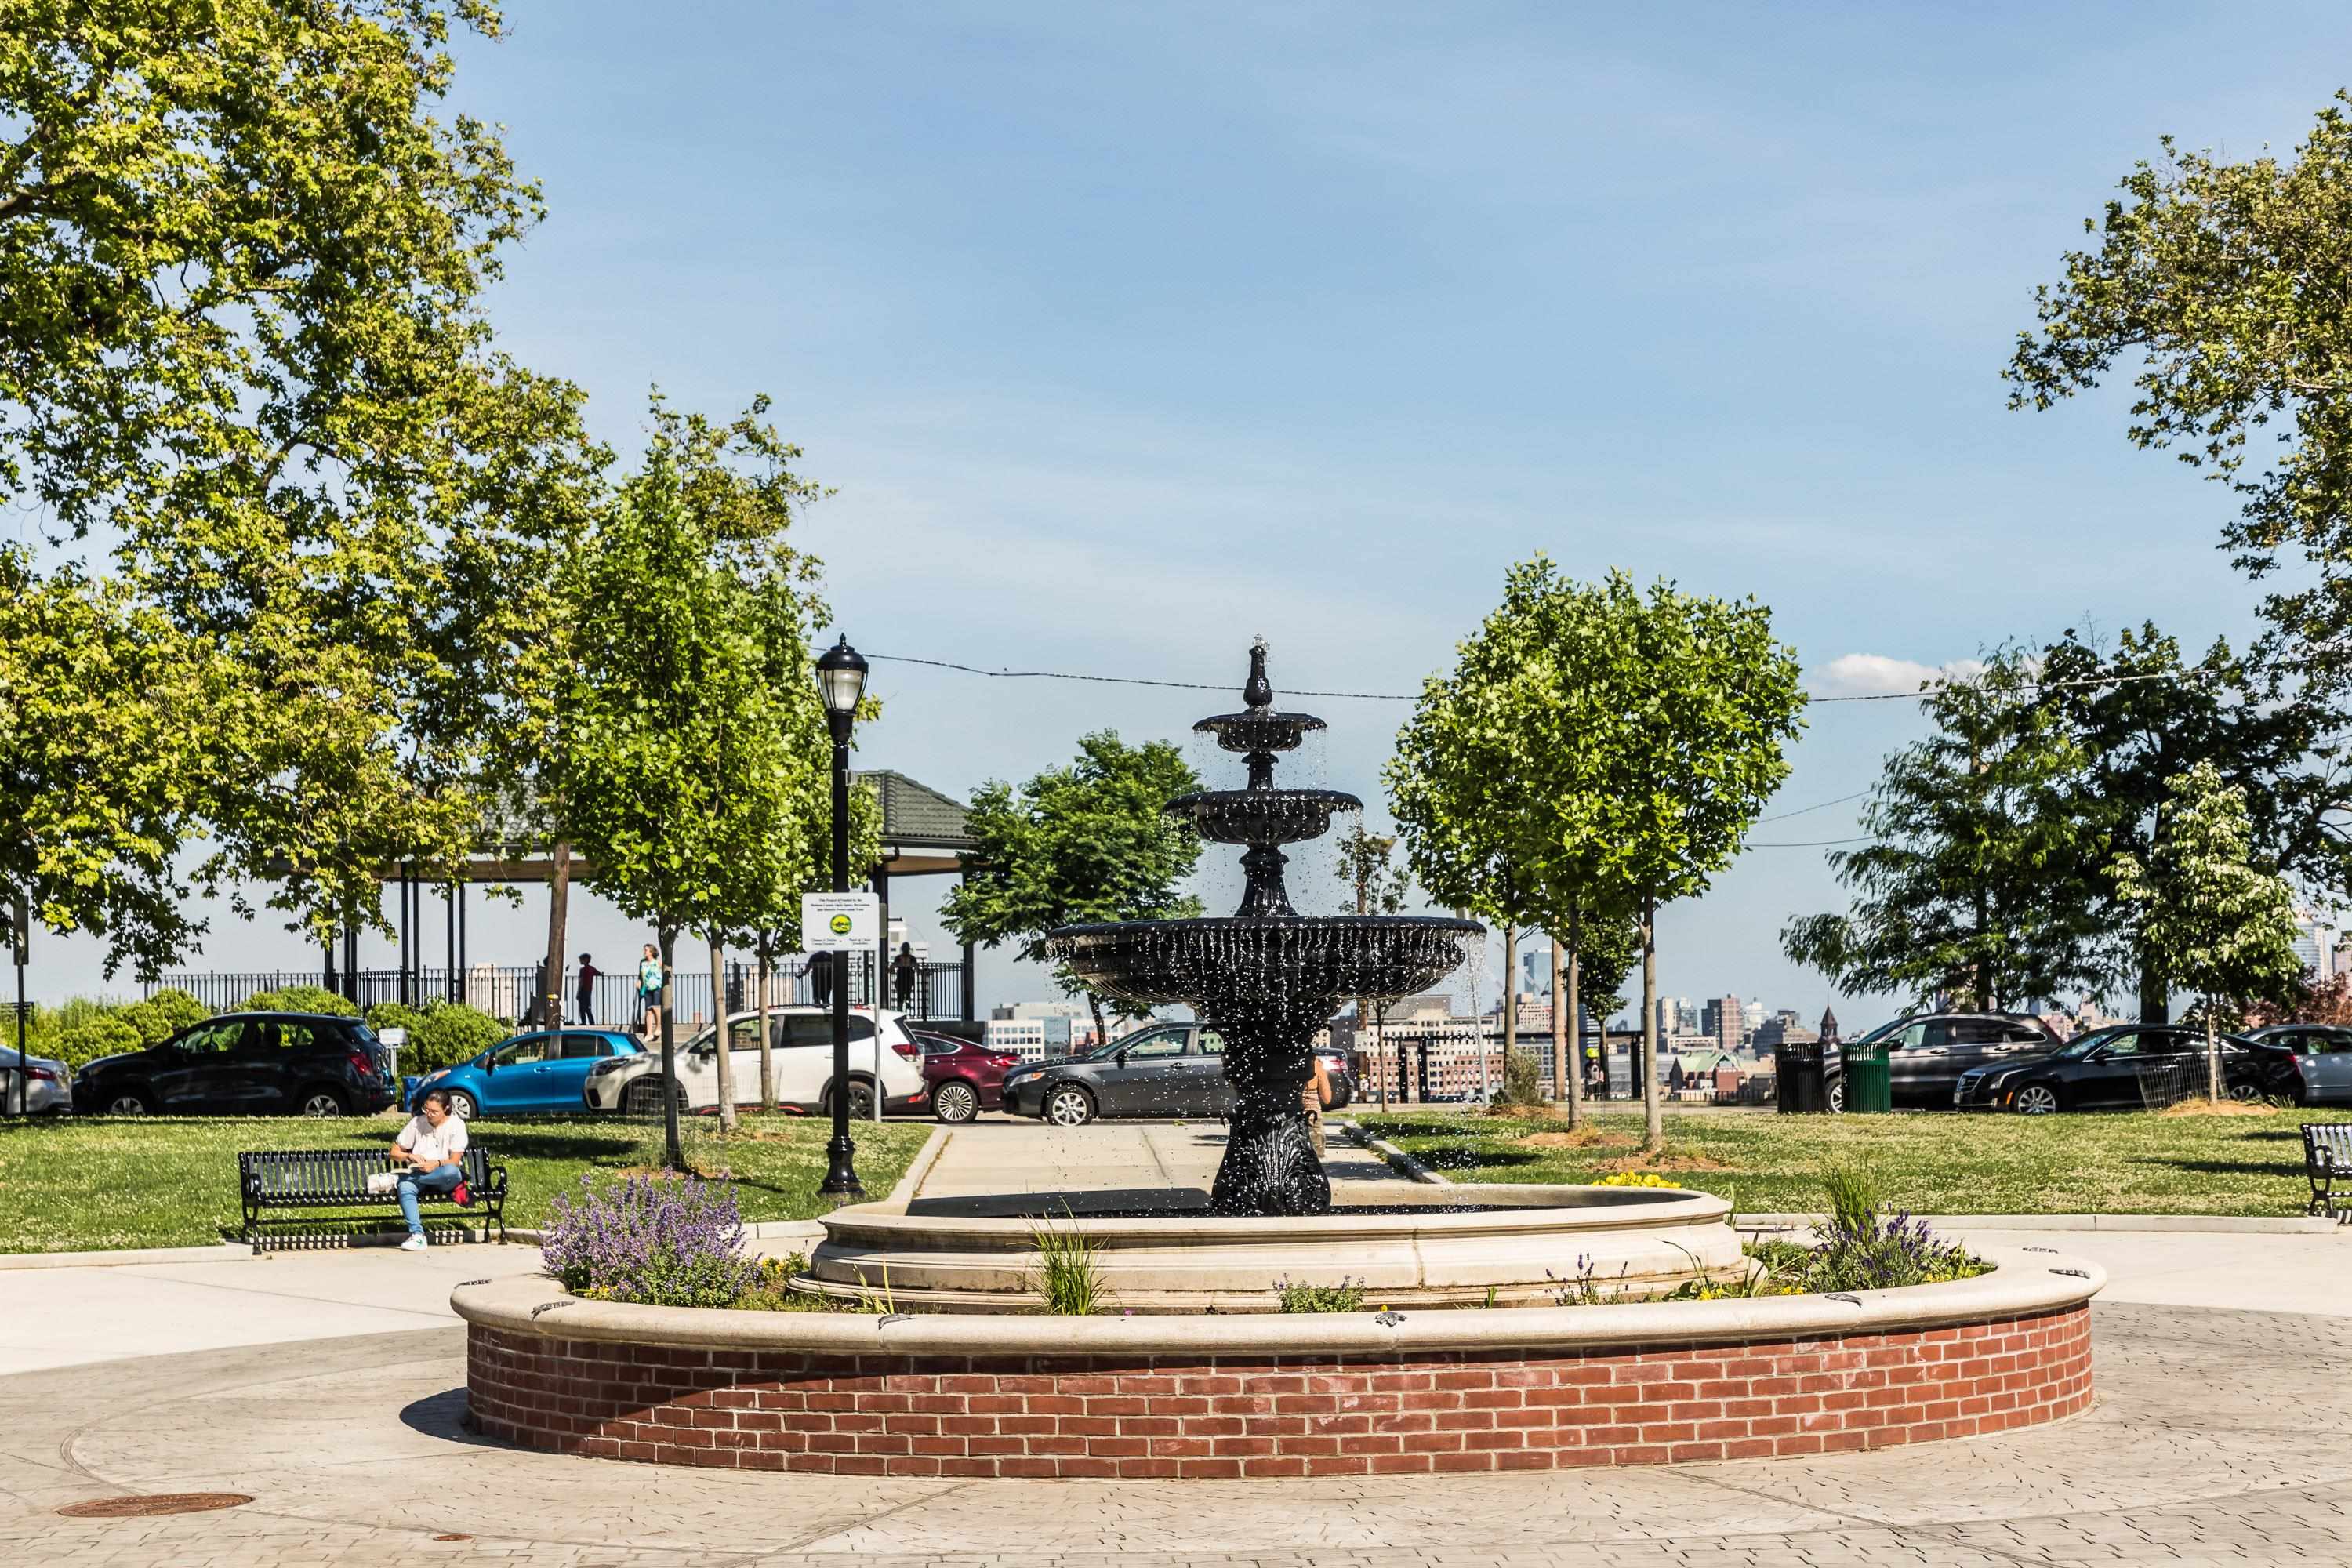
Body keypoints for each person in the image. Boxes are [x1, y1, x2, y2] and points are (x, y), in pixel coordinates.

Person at [390, 1088, 467, 1251]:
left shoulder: (456, 1125)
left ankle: (400, 1179)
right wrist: (409, 1156)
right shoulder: (417, 1122)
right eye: (426, 1109)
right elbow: (394, 1152)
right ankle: (418, 1236)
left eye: (434, 1111)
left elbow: (454, 1161)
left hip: (443, 1176)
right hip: (420, 1172)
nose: (429, 1114)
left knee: (452, 1171)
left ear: (446, 1109)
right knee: (405, 1187)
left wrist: (436, 1164)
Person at [1302, 1053, 1332, 1158]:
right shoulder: (1317, 1065)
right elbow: (1327, 1098)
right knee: (1315, 1156)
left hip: (1290, 1118)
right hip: (1312, 1118)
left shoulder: (1287, 1064)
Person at [637, 944, 663, 1038]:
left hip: (656, 987)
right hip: (646, 987)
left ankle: (658, 1027)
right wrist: (639, 981)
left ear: (651, 952)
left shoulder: (658, 963)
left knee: (656, 1008)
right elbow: (640, 974)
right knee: (648, 1011)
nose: (644, 952)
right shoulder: (642, 963)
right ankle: (649, 1033)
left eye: (646, 950)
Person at [892, 942, 919, 1013]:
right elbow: (916, 968)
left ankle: (901, 1008)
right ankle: (905, 1005)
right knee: (904, 994)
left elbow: (893, 966)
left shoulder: (899, 958)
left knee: (903, 995)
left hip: (904, 978)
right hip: (905, 979)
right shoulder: (911, 958)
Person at [575, 953, 601, 1025]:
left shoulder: (582, 970)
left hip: (583, 990)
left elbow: (581, 981)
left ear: (585, 960)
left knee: (582, 1008)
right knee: (587, 1007)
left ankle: (584, 1022)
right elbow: (599, 973)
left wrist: (578, 992)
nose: (580, 961)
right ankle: (592, 1022)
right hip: (589, 990)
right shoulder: (592, 969)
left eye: (581, 959)